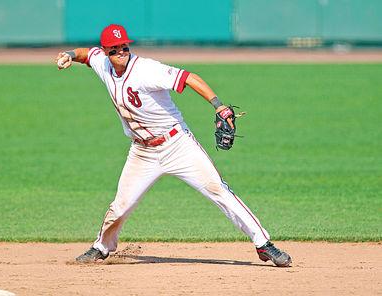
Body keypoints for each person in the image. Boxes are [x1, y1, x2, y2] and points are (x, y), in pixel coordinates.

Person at [55, 24, 292, 267]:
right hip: (142, 152)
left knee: (218, 190)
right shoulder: (102, 63)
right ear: (106, 52)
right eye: (115, 49)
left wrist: (218, 105)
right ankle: (102, 247)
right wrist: (69, 56)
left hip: (177, 145)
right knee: (120, 206)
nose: (121, 51)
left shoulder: (147, 70)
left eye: (124, 46)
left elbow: (189, 78)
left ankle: (264, 244)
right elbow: (87, 54)